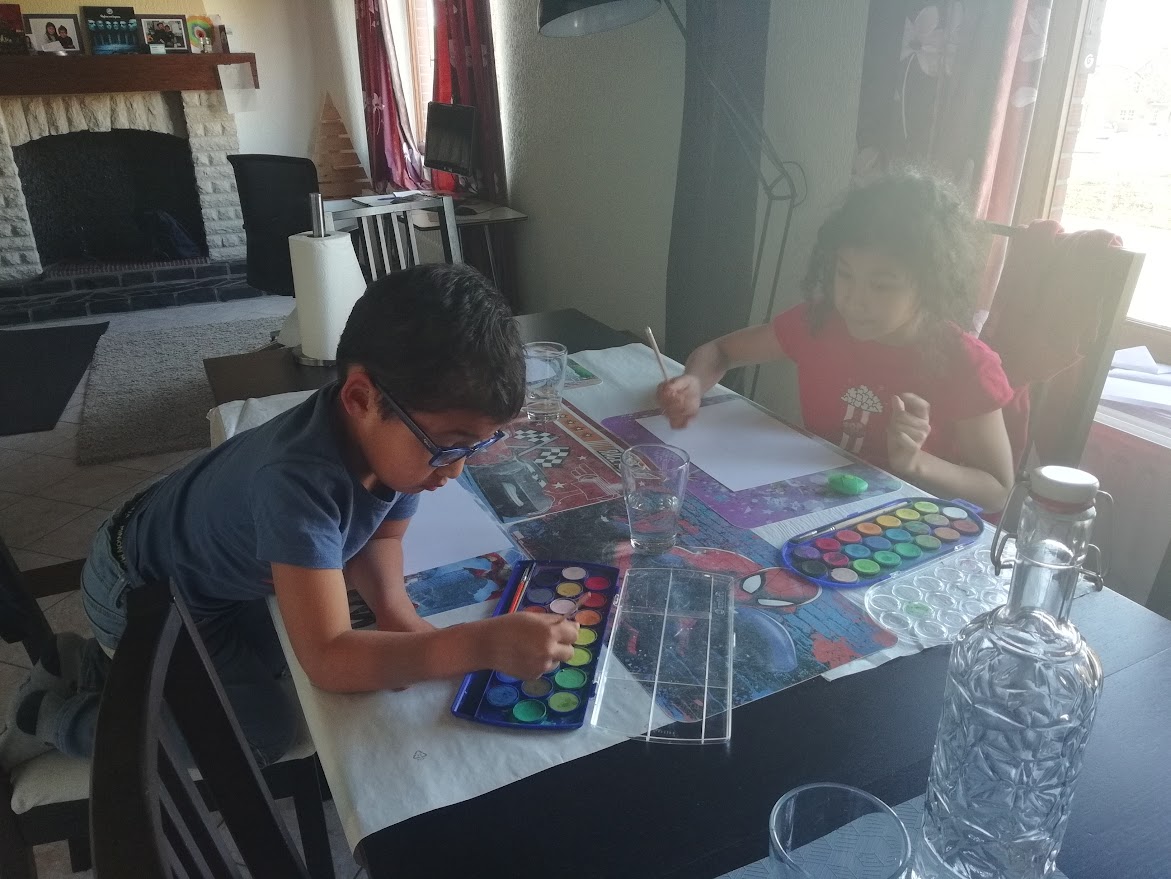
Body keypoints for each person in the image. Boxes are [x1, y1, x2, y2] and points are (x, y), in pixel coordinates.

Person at [1, 264, 579, 770]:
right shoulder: (298, 484)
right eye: (448, 446)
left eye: (475, 447)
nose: (454, 470)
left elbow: (381, 535)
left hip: (194, 558)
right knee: (261, 733)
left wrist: (397, 613)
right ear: (361, 398)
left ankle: (95, 667)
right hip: (143, 592)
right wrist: (471, 646)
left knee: (296, 650)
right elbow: (329, 658)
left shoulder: (390, 443)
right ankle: (58, 716)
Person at [657, 171, 1016, 514]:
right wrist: (694, 383)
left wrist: (916, 462)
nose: (854, 300)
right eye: (845, 274)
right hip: (812, 504)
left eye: (881, 285)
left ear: (929, 286)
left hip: (908, 526)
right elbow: (720, 351)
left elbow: (998, 491)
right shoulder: (819, 323)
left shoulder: (967, 364)